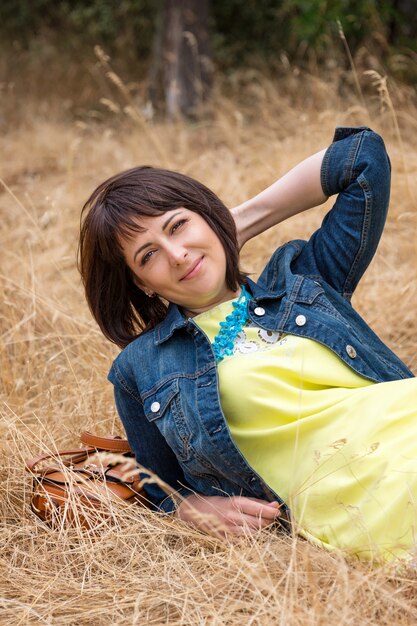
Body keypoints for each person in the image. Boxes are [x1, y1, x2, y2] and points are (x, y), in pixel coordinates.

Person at [79, 127, 417, 563]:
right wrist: (189, 508)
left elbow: (362, 158)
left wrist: (234, 224)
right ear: (141, 284)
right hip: (367, 500)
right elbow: (160, 486)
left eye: (179, 226)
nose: (177, 254)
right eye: (148, 255)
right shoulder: (141, 368)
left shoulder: (304, 279)